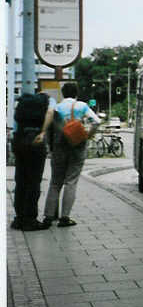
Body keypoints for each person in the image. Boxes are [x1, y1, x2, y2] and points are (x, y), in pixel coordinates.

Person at [41, 82, 100, 227]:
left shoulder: (57, 107)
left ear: (63, 93)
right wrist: (88, 135)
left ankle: (48, 216)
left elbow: (49, 128)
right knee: (71, 181)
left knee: (55, 182)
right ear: (76, 93)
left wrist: (50, 146)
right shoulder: (81, 106)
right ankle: (65, 218)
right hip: (77, 146)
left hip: (59, 146)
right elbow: (97, 121)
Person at [10, 92, 54, 231]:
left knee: (21, 180)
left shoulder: (23, 102)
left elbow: (16, 122)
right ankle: (30, 220)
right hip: (35, 140)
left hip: (19, 140)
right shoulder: (49, 100)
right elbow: (50, 113)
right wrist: (42, 132)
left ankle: (19, 218)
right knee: (33, 182)